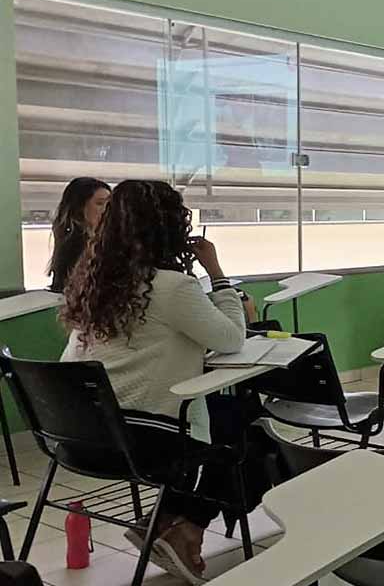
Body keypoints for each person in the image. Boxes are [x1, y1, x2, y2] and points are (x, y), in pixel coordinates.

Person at [60, 180, 246, 583]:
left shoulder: (91, 284)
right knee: (246, 433)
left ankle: (165, 522)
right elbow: (232, 339)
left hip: (79, 439)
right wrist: (218, 274)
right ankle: (183, 528)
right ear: (169, 230)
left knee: (231, 423)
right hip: (141, 442)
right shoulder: (171, 287)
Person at [47, 177, 111, 292]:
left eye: (109, 203)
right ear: (79, 208)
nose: (106, 209)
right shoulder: (78, 246)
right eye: (100, 203)